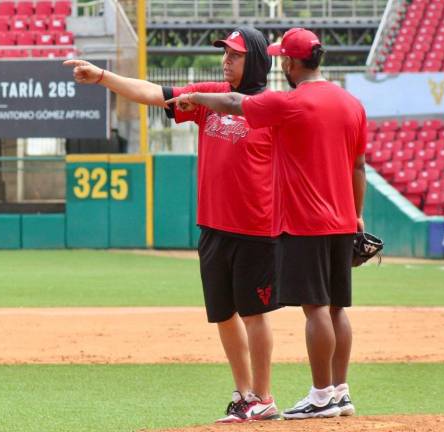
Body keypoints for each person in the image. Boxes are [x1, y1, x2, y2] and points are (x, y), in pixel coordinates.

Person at [64, 26, 281, 423]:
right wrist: (103, 77)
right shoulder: (208, 97)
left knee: (254, 313)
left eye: (235, 54)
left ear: (256, 59)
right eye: (225, 54)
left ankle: (264, 397)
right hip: (213, 227)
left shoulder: (273, 107)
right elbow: (155, 94)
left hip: (256, 228)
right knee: (223, 313)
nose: (226, 60)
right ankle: (243, 393)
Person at [167, 27, 366, 420]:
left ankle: (322, 394)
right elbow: (358, 165)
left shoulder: (292, 101)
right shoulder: (352, 103)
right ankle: (341, 391)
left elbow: (235, 104)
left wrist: (194, 97)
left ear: (290, 62)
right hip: (345, 219)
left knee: (316, 309)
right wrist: (357, 215)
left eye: (284, 58)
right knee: (339, 308)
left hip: (308, 219)